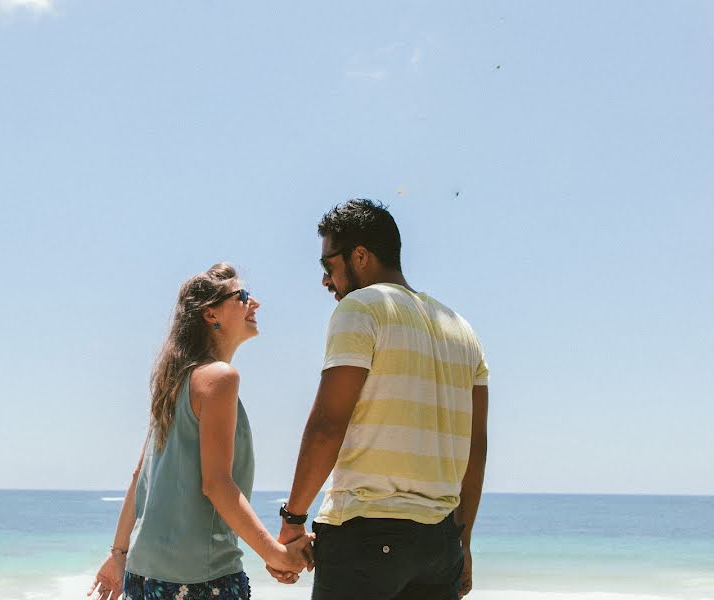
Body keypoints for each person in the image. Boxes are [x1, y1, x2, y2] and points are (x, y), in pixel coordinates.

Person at [269, 200, 489, 600]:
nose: (325, 280)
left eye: (327, 265)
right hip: (439, 543)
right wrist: (463, 541)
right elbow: (476, 448)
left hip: (366, 535)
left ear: (360, 256)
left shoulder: (361, 308)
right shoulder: (462, 330)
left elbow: (327, 426)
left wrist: (293, 520)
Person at [89, 263, 313, 600]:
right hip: (200, 582)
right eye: (243, 296)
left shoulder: (173, 381)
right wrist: (273, 554)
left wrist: (118, 554)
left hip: (143, 575)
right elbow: (217, 484)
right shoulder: (219, 378)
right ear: (211, 314)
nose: (255, 304)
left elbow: (140, 476)